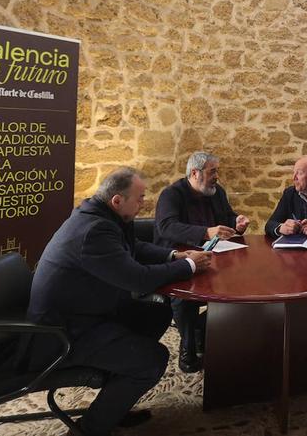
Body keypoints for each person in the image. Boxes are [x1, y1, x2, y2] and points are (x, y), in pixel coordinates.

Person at [28, 167, 211, 436]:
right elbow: (137, 280)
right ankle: (89, 430)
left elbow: (134, 247)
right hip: (63, 332)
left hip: (89, 312)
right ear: (117, 200)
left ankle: (117, 392)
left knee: (156, 313)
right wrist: (188, 266)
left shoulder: (103, 215)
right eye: (139, 198)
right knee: (152, 360)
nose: (143, 203)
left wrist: (174, 255)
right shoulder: (94, 230)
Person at [154, 151, 250, 373]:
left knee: (235, 286)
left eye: (216, 171)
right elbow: (166, 227)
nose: (217, 176)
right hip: (179, 258)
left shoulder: (217, 192)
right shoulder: (171, 194)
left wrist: (237, 222)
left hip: (214, 257)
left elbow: (226, 218)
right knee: (184, 299)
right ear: (195, 173)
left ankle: (203, 331)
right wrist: (205, 232)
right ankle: (188, 346)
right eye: (212, 171)